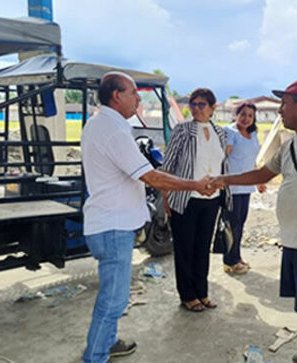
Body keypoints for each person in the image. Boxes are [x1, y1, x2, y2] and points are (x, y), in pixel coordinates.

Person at [80, 72, 214, 363]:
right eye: (133, 93)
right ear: (116, 96)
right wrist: (194, 184)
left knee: (113, 294)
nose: (138, 99)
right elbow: (151, 176)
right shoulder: (113, 131)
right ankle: (95, 356)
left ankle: (108, 341)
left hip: (111, 221)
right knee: (114, 300)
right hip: (113, 225)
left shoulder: (102, 124)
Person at [211, 80, 297, 363]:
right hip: (296, 237)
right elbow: (262, 175)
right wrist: (224, 180)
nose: (280, 110)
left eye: (285, 103)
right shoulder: (292, 144)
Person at [161, 87, 230, 312]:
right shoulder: (182, 130)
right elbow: (168, 165)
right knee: (184, 249)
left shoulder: (220, 133)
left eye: (202, 105)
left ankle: (202, 292)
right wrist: (165, 197)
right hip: (186, 198)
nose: (197, 109)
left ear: (213, 108)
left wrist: (222, 188)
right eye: (193, 104)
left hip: (211, 199)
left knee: (202, 248)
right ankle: (187, 295)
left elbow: (223, 164)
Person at [222, 102, 265, 274]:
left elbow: (251, 159)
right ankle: (230, 261)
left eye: (250, 115)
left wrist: (259, 179)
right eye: (243, 114)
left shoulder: (252, 133)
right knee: (232, 225)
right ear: (236, 114)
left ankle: (236, 256)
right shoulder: (230, 132)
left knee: (240, 223)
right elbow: (223, 157)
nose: (246, 118)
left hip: (246, 186)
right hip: (232, 186)